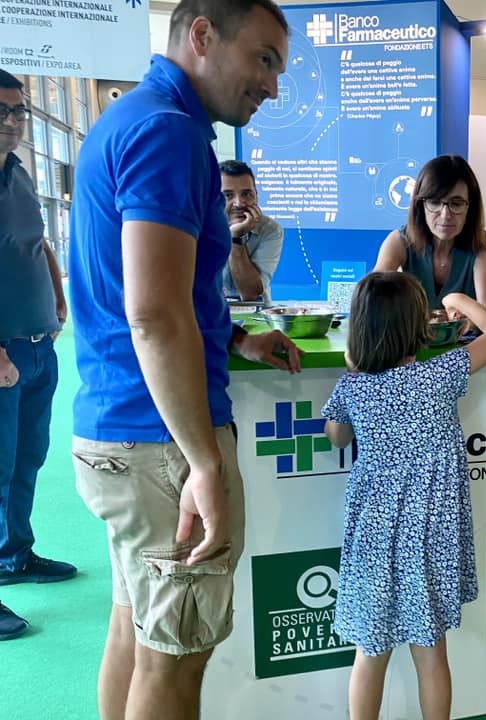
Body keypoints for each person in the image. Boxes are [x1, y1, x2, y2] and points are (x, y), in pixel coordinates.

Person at [67, 2, 303, 717]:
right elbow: (152, 313)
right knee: (174, 660)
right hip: (162, 445)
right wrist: (203, 462)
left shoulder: (129, 120)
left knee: (138, 629)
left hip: (119, 430)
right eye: (262, 59)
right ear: (201, 36)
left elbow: (157, 291)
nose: (272, 87)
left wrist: (236, 339)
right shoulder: (168, 134)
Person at [321, 273, 486, 720]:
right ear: (419, 327)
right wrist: (459, 296)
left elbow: (335, 436)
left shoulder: (354, 387)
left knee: (370, 653)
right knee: (432, 656)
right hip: (430, 534)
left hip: (374, 537)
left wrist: (352, 374)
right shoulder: (441, 375)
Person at [0, 69, 76, 642]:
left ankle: (14, 555)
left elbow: (39, 242)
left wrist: (56, 293)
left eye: (19, 111)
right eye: (2, 111)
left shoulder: (20, 175)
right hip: (2, 352)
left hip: (37, 343)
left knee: (27, 459)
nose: (13, 121)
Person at [373, 154, 486, 310]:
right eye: (434, 202)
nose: (445, 215)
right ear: (421, 205)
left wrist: (466, 321)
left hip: (470, 335)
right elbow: (371, 296)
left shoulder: (481, 243)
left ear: (469, 207)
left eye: (456, 203)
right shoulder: (399, 240)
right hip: (412, 334)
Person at [220, 159, 283, 303]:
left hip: (255, 317)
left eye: (247, 194)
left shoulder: (270, 230)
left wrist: (235, 238)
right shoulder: (197, 229)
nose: (239, 203)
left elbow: (250, 294)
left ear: (257, 196)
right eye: (228, 195)